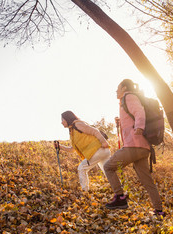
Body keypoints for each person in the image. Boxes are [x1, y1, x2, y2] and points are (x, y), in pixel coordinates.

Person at [103, 79, 164, 216]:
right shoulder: (126, 99)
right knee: (147, 180)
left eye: (117, 88)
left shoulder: (128, 96)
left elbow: (139, 112)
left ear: (124, 87)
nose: (116, 91)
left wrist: (139, 128)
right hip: (142, 148)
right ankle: (159, 210)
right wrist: (121, 122)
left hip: (134, 145)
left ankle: (120, 197)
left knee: (108, 167)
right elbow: (133, 116)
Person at [59, 111, 111, 191]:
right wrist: (60, 147)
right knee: (108, 171)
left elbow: (94, 131)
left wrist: (104, 142)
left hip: (98, 150)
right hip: (102, 151)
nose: (61, 122)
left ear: (67, 118)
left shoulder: (77, 124)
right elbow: (73, 149)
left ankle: (85, 191)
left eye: (62, 119)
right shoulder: (72, 131)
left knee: (82, 168)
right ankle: (121, 192)